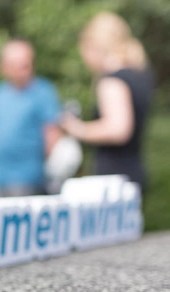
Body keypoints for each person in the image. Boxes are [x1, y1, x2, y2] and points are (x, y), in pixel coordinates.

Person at [61, 12, 155, 190]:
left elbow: (118, 129)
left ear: (95, 46)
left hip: (114, 176)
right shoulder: (139, 74)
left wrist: (78, 129)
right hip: (134, 170)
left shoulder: (112, 80)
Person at [0, 38, 63, 198]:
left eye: (25, 63)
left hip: (30, 180)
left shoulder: (43, 92)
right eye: (16, 64)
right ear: (3, 66)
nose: (23, 68)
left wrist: (53, 170)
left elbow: (52, 134)